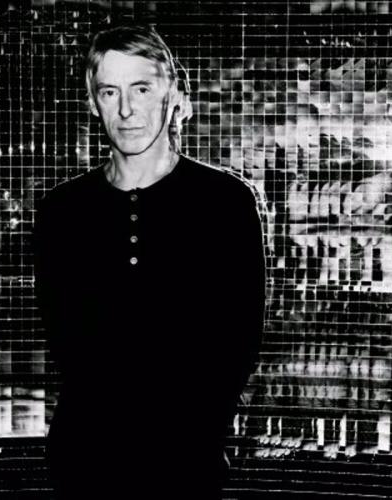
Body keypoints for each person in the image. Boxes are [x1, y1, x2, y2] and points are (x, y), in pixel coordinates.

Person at [33, 24, 266, 499]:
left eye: (141, 88)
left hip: (187, 467)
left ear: (172, 95)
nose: (125, 109)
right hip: (83, 466)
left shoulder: (225, 203)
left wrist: (195, 438)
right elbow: (65, 342)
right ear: (92, 102)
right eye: (109, 91)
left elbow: (239, 343)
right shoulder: (62, 211)